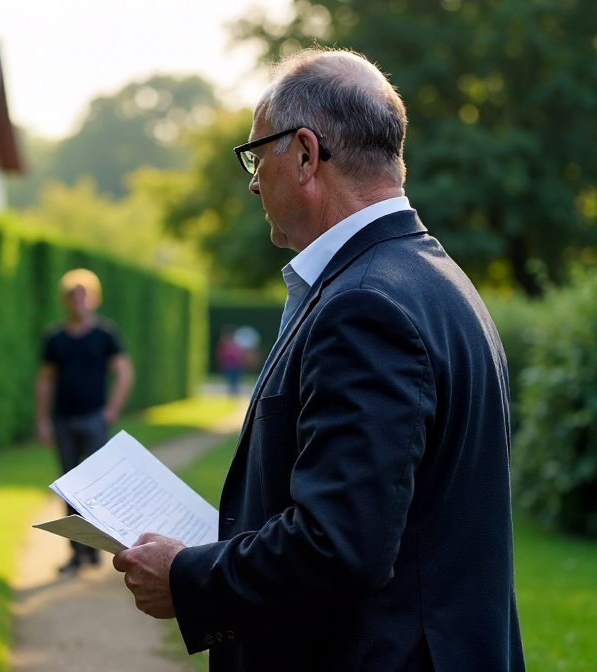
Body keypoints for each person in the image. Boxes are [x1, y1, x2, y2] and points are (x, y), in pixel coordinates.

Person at [113, 48, 524, 671]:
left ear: (305, 154)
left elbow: (339, 546)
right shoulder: (435, 279)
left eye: (257, 155)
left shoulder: (363, 306)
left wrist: (186, 576)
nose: (252, 181)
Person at [36, 269, 134, 573]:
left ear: (93, 298)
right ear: (65, 300)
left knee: (94, 489)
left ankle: (94, 550)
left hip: (94, 420)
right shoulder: (55, 338)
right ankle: (76, 552)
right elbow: (45, 381)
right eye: (72, 295)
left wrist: (111, 409)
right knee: (69, 487)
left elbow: (124, 372)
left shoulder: (105, 335)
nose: (78, 300)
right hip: (63, 420)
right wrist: (41, 419)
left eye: (83, 294)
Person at [215, 325, 245, 395]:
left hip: (236, 364)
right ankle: (233, 393)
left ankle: (234, 392)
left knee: (235, 379)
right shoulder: (224, 342)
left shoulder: (237, 341)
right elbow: (221, 354)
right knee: (231, 380)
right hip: (229, 364)